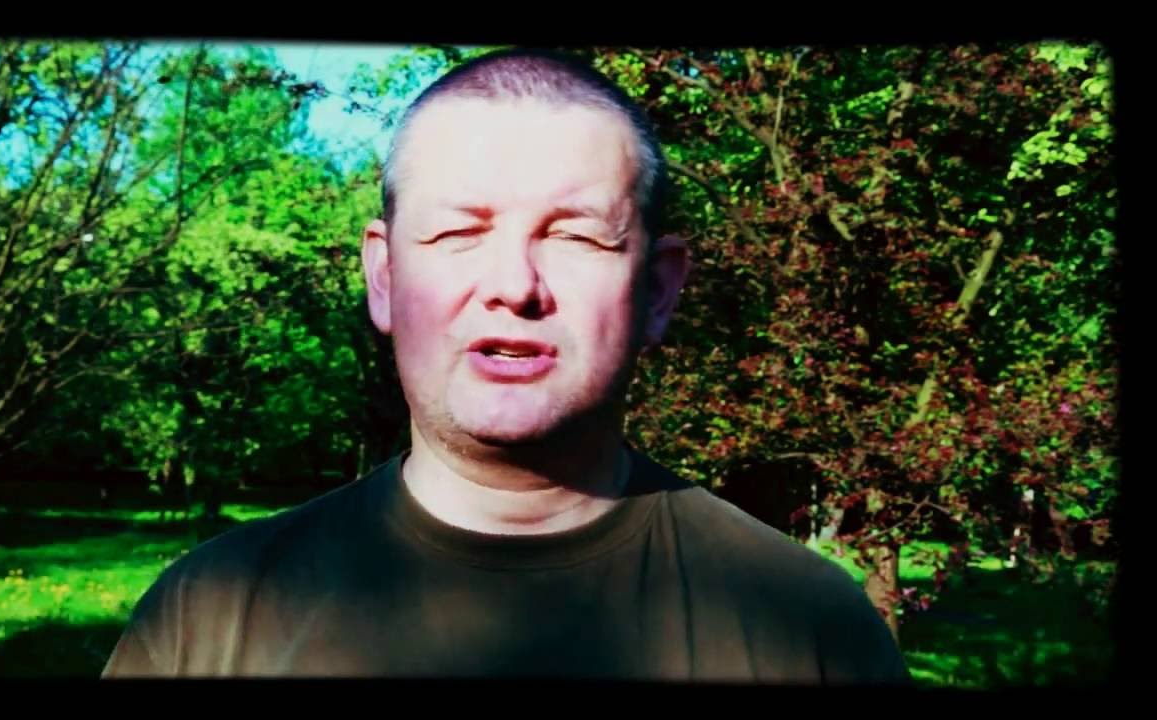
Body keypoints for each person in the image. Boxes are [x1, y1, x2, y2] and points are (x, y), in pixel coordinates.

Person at [101, 46, 911, 683]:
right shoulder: (209, 618)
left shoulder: (809, 628)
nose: (514, 286)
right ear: (385, 278)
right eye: (458, 233)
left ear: (658, 290)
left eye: (576, 236)